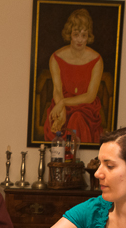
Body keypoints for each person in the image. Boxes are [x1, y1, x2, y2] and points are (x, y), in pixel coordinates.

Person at [43, 8, 105, 143]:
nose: (80, 40)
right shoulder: (56, 57)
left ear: (88, 35)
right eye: (76, 34)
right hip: (61, 106)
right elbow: (57, 90)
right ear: (69, 33)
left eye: (84, 35)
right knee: (61, 120)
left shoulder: (97, 60)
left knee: (77, 118)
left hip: (86, 108)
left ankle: (74, 158)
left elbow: (90, 96)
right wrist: (62, 108)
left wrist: (63, 103)